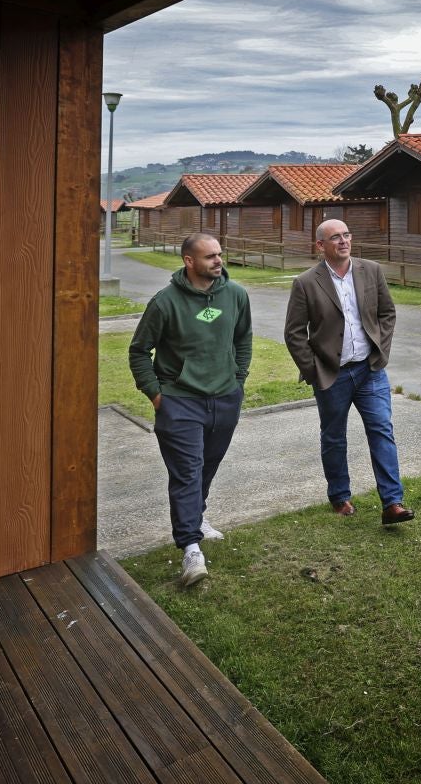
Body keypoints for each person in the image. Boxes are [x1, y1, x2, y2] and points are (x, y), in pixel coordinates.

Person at [128, 233, 252, 587]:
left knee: (207, 465)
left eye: (219, 254)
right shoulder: (164, 302)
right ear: (189, 261)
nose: (218, 260)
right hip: (179, 401)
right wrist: (155, 394)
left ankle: (196, 518)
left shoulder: (236, 295)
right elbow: (139, 351)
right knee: (187, 471)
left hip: (225, 398)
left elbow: (243, 339)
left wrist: (238, 379)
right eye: (210, 256)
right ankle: (190, 549)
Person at [285, 219, 413, 524]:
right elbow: (294, 333)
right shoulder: (305, 282)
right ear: (320, 246)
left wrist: (381, 351)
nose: (343, 241)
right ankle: (340, 496)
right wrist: (313, 370)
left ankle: (392, 503)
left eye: (346, 235)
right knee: (334, 437)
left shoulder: (371, 270)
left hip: (370, 370)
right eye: (335, 237)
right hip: (332, 375)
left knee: (382, 430)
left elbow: (387, 313)